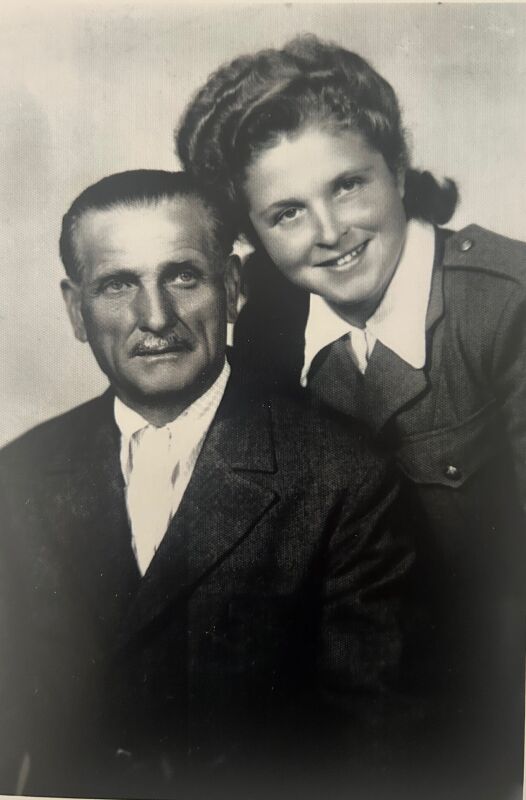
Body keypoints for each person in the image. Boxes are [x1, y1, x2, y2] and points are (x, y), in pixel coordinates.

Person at [176, 35, 526, 798]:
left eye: (348, 186)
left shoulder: (506, 306)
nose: (330, 231)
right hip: (349, 707)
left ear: (397, 169)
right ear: (251, 236)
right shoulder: (268, 331)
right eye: (287, 213)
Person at [0, 169, 416, 799]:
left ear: (233, 288)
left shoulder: (344, 476)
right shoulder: (18, 477)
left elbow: (376, 753)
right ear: (76, 310)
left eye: (183, 277)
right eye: (118, 285)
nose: (155, 316)